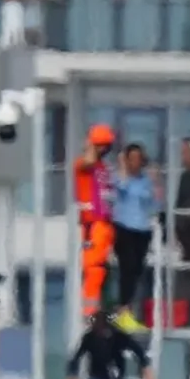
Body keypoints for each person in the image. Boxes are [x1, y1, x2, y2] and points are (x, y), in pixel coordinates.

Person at [73, 124, 117, 315]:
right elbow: (88, 161)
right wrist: (91, 144)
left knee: (102, 269)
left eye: (105, 146)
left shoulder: (104, 168)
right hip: (92, 224)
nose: (103, 149)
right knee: (93, 268)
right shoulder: (82, 164)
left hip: (105, 225)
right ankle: (88, 311)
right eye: (100, 145)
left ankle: (99, 311)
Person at [67, 306, 154, 379]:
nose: (101, 332)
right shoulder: (90, 338)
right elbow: (75, 359)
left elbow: (140, 353)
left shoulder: (118, 337)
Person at [111, 142, 159, 310]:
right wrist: (122, 166)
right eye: (131, 158)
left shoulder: (146, 180)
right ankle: (123, 306)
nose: (135, 162)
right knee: (127, 266)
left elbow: (155, 203)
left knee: (138, 269)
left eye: (138, 158)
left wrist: (155, 181)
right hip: (124, 227)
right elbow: (121, 187)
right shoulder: (119, 177)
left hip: (143, 229)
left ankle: (130, 305)